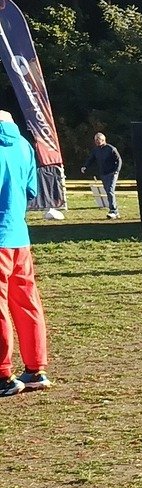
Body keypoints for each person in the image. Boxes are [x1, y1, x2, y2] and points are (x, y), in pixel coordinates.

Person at [0, 108, 51, 396]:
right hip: (19, 236)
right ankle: (35, 369)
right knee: (27, 302)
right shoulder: (24, 145)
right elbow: (31, 191)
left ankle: (3, 374)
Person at [84, 131, 122, 218]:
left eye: (98, 140)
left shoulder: (111, 148)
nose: (97, 142)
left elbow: (119, 160)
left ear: (103, 139)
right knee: (108, 191)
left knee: (110, 190)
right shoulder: (96, 150)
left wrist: (117, 170)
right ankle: (115, 211)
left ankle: (113, 210)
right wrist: (85, 166)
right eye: (95, 140)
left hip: (112, 173)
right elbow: (91, 159)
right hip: (103, 174)